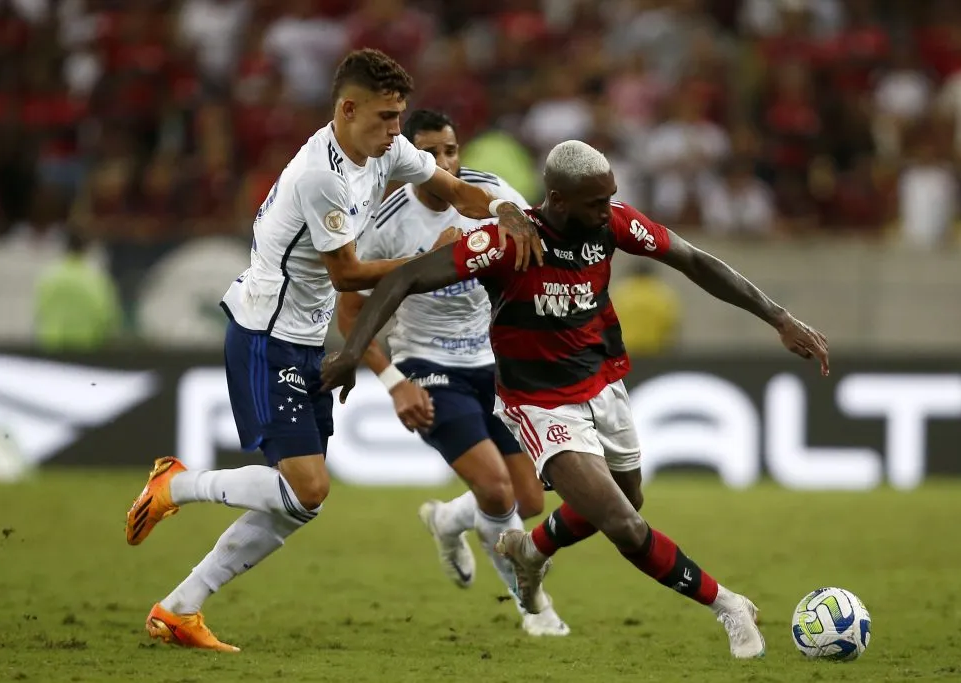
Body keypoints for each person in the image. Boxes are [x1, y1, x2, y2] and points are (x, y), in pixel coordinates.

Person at [322, 140, 830, 659]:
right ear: (558, 200)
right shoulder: (504, 243)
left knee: (627, 499)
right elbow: (407, 276)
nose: (606, 208)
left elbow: (694, 260)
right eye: (594, 201)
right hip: (539, 403)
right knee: (625, 525)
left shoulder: (611, 222)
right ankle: (729, 605)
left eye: (610, 196)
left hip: (603, 382)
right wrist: (353, 351)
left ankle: (532, 549)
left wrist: (780, 318)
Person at [122, 48, 542, 652]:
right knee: (308, 488)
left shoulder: (387, 149)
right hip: (266, 333)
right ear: (347, 109)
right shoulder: (321, 174)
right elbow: (347, 274)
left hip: (308, 336)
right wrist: (438, 262)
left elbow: (457, 191)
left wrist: (507, 212)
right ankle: (175, 486)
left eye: (399, 116)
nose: (396, 129)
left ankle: (180, 608)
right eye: (385, 117)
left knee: (299, 505)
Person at [338, 109, 567, 636]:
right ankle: (534, 607)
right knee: (495, 490)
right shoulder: (384, 222)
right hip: (428, 364)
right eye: (429, 155)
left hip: (494, 361)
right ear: (404, 158)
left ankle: (446, 520)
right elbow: (349, 315)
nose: (444, 163)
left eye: (451, 150)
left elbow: (537, 252)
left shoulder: (490, 194)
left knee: (529, 499)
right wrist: (396, 383)